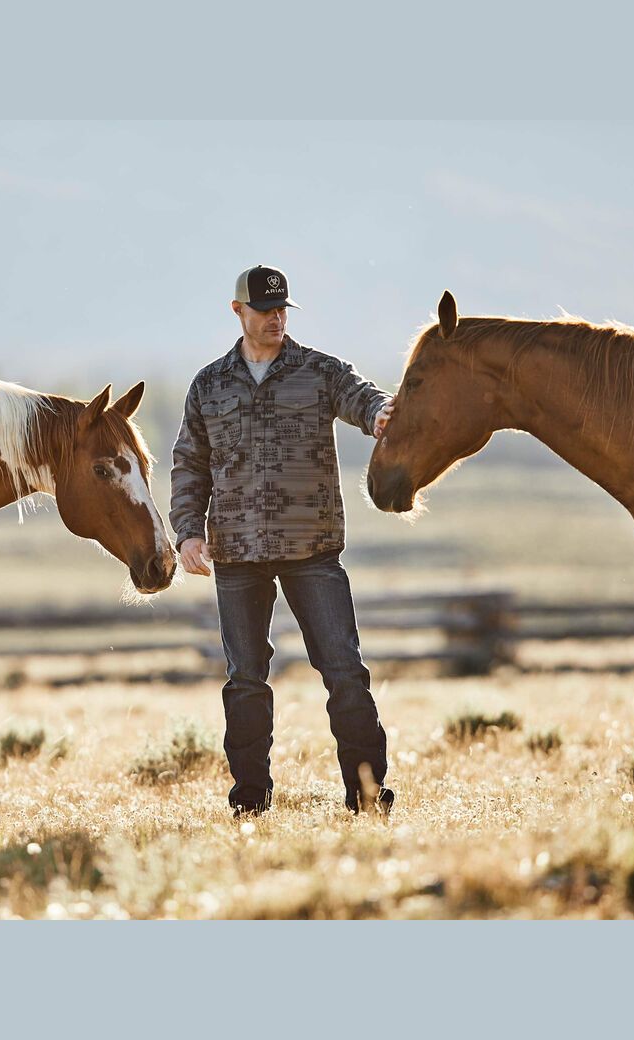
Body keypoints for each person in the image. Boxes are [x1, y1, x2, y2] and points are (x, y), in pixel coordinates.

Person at [170, 265, 395, 816]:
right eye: (265, 309)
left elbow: (364, 398)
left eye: (282, 310)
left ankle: (367, 796)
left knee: (344, 672)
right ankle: (250, 801)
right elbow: (190, 464)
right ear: (238, 310)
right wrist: (187, 534)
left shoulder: (320, 371)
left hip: (311, 550)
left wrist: (382, 414)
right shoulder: (209, 385)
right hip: (238, 555)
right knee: (245, 680)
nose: (275, 318)